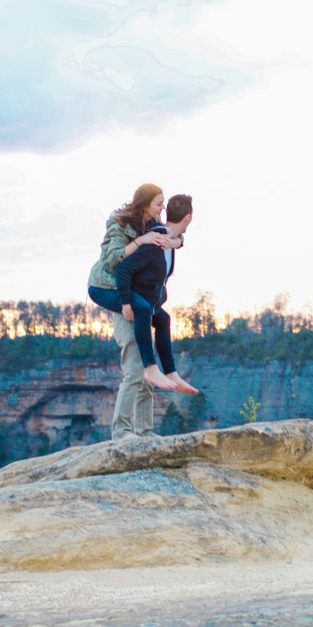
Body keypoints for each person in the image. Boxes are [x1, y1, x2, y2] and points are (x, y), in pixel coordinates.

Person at [86, 184, 186, 437]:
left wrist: (171, 241)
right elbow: (114, 259)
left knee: (147, 365)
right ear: (144, 204)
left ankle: (144, 430)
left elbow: (176, 237)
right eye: (158, 203)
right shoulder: (120, 223)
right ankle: (121, 431)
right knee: (134, 368)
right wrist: (141, 240)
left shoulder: (152, 221)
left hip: (136, 297)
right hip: (111, 289)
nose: (162, 208)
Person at [113, 193, 198, 398]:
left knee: (164, 319)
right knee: (134, 374)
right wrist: (126, 303)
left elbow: (178, 239)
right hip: (132, 304)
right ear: (188, 217)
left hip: (148, 304)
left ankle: (171, 373)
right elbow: (123, 270)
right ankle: (153, 369)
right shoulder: (156, 240)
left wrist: (176, 242)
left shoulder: (169, 239)